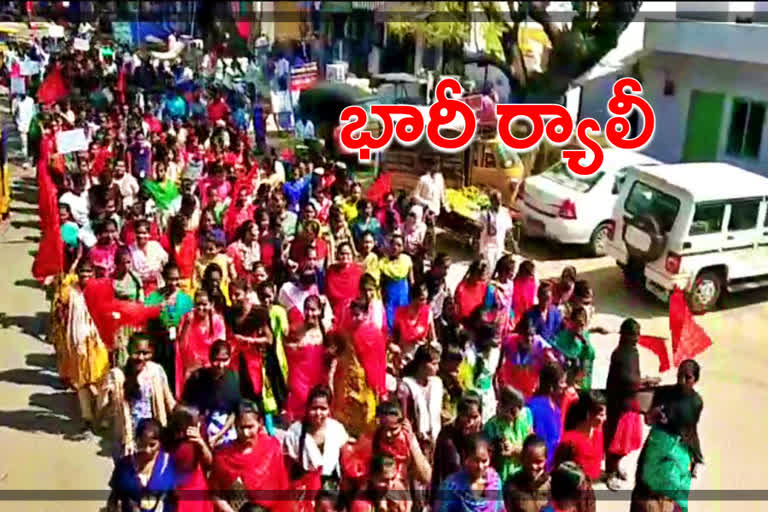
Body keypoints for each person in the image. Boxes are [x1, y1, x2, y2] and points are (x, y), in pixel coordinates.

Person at [630, 360, 704, 512]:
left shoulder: (696, 402)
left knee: (675, 497)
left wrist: (697, 457)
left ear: (695, 380)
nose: (682, 380)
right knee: (645, 493)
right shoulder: (663, 393)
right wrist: (652, 414)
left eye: (687, 377)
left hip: (679, 453)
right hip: (656, 448)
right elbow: (647, 419)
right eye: (679, 375)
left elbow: (691, 429)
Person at [50, 259, 110, 433]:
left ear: (93, 274)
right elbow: (59, 311)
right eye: (82, 272)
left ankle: (101, 415)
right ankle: (87, 417)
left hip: (97, 341)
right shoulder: (70, 292)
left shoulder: (100, 290)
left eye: (88, 272)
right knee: (81, 382)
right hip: (77, 342)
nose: (85, 276)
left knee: (101, 380)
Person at [97, 334, 176, 461]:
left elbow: (169, 401)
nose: (141, 357)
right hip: (128, 438)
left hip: (152, 437)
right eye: (137, 353)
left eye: (146, 353)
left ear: (152, 353)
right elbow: (103, 407)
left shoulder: (156, 371)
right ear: (129, 351)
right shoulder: (117, 376)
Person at [604, 318, 659, 490]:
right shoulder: (619, 354)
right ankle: (610, 473)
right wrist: (645, 382)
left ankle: (617, 466)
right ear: (624, 335)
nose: (636, 338)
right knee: (615, 442)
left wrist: (643, 381)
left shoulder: (633, 353)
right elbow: (627, 381)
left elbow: (634, 378)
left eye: (637, 335)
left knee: (624, 443)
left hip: (630, 404)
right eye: (633, 335)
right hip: (618, 405)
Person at [208, 401, 292, 512]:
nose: (246, 433)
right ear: (234, 426)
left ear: (260, 423)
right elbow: (215, 493)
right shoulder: (223, 456)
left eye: (250, 427)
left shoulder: (272, 448)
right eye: (241, 428)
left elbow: (282, 489)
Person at [331, 299, 387, 437]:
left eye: (359, 315)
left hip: (366, 381)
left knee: (367, 415)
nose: (355, 318)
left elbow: (378, 362)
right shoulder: (346, 331)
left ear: (366, 314)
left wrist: (378, 385)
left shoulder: (374, 334)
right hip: (348, 380)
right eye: (353, 315)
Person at [284, 385, 350, 492]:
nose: (318, 413)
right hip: (305, 489)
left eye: (323, 409)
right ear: (307, 407)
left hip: (331, 489)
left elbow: (345, 458)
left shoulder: (337, 429)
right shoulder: (295, 432)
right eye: (314, 408)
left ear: (329, 409)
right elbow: (289, 465)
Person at [107, 418, 176, 512]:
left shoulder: (168, 466)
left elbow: (173, 500)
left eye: (152, 445)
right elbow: (114, 498)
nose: (147, 450)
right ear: (136, 440)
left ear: (160, 443)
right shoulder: (124, 465)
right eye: (143, 444)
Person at [182, 340, 242, 448]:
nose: (220, 365)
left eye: (225, 360)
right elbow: (189, 407)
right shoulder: (198, 378)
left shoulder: (234, 379)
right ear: (210, 358)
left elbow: (234, 412)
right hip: (200, 431)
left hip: (225, 433)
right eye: (216, 360)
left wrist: (218, 436)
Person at [554, 391, 607, 512]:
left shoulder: (597, 433)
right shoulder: (569, 441)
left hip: (587, 492)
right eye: (602, 414)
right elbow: (559, 473)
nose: (605, 418)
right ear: (588, 414)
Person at [144, 263, 194, 387]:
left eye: (176, 279)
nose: (174, 283)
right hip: (158, 342)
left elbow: (190, 324)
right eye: (171, 279)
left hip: (177, 343)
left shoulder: (185, 299)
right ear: (164, 279)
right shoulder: (154, 298)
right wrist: (156, 310)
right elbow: (146, 319)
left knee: (175, 377)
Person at [284, 295, 330, 423]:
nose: (310, 313)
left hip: (318, 378)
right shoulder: (295, 330)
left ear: (320, 311)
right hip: (299, 380)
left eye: (314, 310)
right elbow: (286, 349)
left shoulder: (325, 330)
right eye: (307, 309)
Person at [175, 289, 226, 397]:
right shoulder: (187, 319)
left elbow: (220, 348)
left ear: (211, 304)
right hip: (191, 369)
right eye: (198, 304)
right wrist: (187, 325)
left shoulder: (217, 321)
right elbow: (181, 348)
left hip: (211, 369)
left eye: (204, 304)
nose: (201, 308)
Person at [435, 433, 505, 512]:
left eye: (484, 461)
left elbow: (500, 509)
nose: (480, 466)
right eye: (475, 461)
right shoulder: (451, 486)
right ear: (465, 457)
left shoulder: (495, 482)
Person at [431, 392, 484, 495]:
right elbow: (438, 472)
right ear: (459, 415)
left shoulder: (484, 436)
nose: (470, 422)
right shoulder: (447, 437)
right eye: (466, 417)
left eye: (475, 417)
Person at [165, 405, 214, 512]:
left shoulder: (196, 436)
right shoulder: (167, 437)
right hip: (174, 488)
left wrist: (201, 443)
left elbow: (209, 463)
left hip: (195, 486)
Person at [397, 344, 444, 457]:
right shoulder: (406, 386)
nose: (437, 368)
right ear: (422, 365)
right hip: (417, 441)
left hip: (435, 440)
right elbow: (405, 418)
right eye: (433, 364)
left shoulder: (436, 383)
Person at [484, 386, 534, 483]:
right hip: (502, 476)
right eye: (510, 410)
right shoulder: (492, 426)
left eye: (519, 408)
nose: (516, 414)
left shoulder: (526, 415)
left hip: (523, 473)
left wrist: (514, 450)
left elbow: (532, 445)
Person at [498, 318, 556, 399]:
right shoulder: (509, 341)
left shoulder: (540, 344)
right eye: (526, 334)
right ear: (519, 334)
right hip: (510, 390)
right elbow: (499, 360)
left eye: (532, 335)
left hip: (529, 392)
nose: (529, 338)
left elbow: (553, 364)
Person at [526, 362, 567, 469]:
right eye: (562, 382)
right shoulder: (532, 407)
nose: (565, 385)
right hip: (537, 467)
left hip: (552, 467)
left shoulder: (556, 408)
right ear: (551, 386)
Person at [503, 435, 552, 512]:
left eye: (538, 462)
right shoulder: (512, 486)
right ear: (522, 459)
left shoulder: (550, 484)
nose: (533, 466)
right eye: (529, 461)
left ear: (545, 460)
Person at [551, 307, 596, 390]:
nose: (579, 328)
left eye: (582, 325)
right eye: (576, 324)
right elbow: (561, 351)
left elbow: (590, 355)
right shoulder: (563, 336)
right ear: (570, 322)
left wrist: (585, 344)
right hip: (566, 375)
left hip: (582, 377)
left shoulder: (585, 335)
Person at [393, 283, 436, 362]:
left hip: (421, 356)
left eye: (426, 299)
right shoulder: (400, 313)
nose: (424, 302)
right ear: (413, 298)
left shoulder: (428, 312)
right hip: (403, 355)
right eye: (421, 299)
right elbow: (394, 337)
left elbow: (433, 339)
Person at [380, 234, 414, 331]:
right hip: (390, 300)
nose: (395, 247)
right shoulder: (382, 263)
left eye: (399, 245)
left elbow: (412, 281)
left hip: (404, 298)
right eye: (393, 244)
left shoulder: (407, 260)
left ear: (403, 247)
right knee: (390, 325)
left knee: (403, 325)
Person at [128, 219, 168, 295]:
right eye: (138, 233)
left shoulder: (155, 246)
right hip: (139, 288)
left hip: (157, 285)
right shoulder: (130, 250)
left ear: (149, 234)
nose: (141, 236)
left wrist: (161, 268)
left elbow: (165, 260)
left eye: (144, 233)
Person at [484, 255, 516, 342]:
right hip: (495, 325)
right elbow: (487, 308)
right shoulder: (492, 288)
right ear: (504, 272)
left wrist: (512, 318)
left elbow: (510, 304)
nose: (513, 273)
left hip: (506, 324)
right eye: (511, 271)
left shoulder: (511, 284)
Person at [325, 241, 364, 311]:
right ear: (337, 255)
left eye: (348, 254)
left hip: (354, 310)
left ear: (352, 255)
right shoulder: (331, 271)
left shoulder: (358, 271)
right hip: (335, 309)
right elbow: (329, 293)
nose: (345, 256)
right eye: (342, 254)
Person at [479, 190, 512, 271]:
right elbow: (480, 230)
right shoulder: (485, 214)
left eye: (499, 200)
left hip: (499, 246)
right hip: (488, 247)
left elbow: (508, 229)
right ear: (491, 201)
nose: (498, 202)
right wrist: (480, 249)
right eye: (496, 200)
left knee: (497, 269)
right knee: (489, 269)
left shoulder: (504, 213)